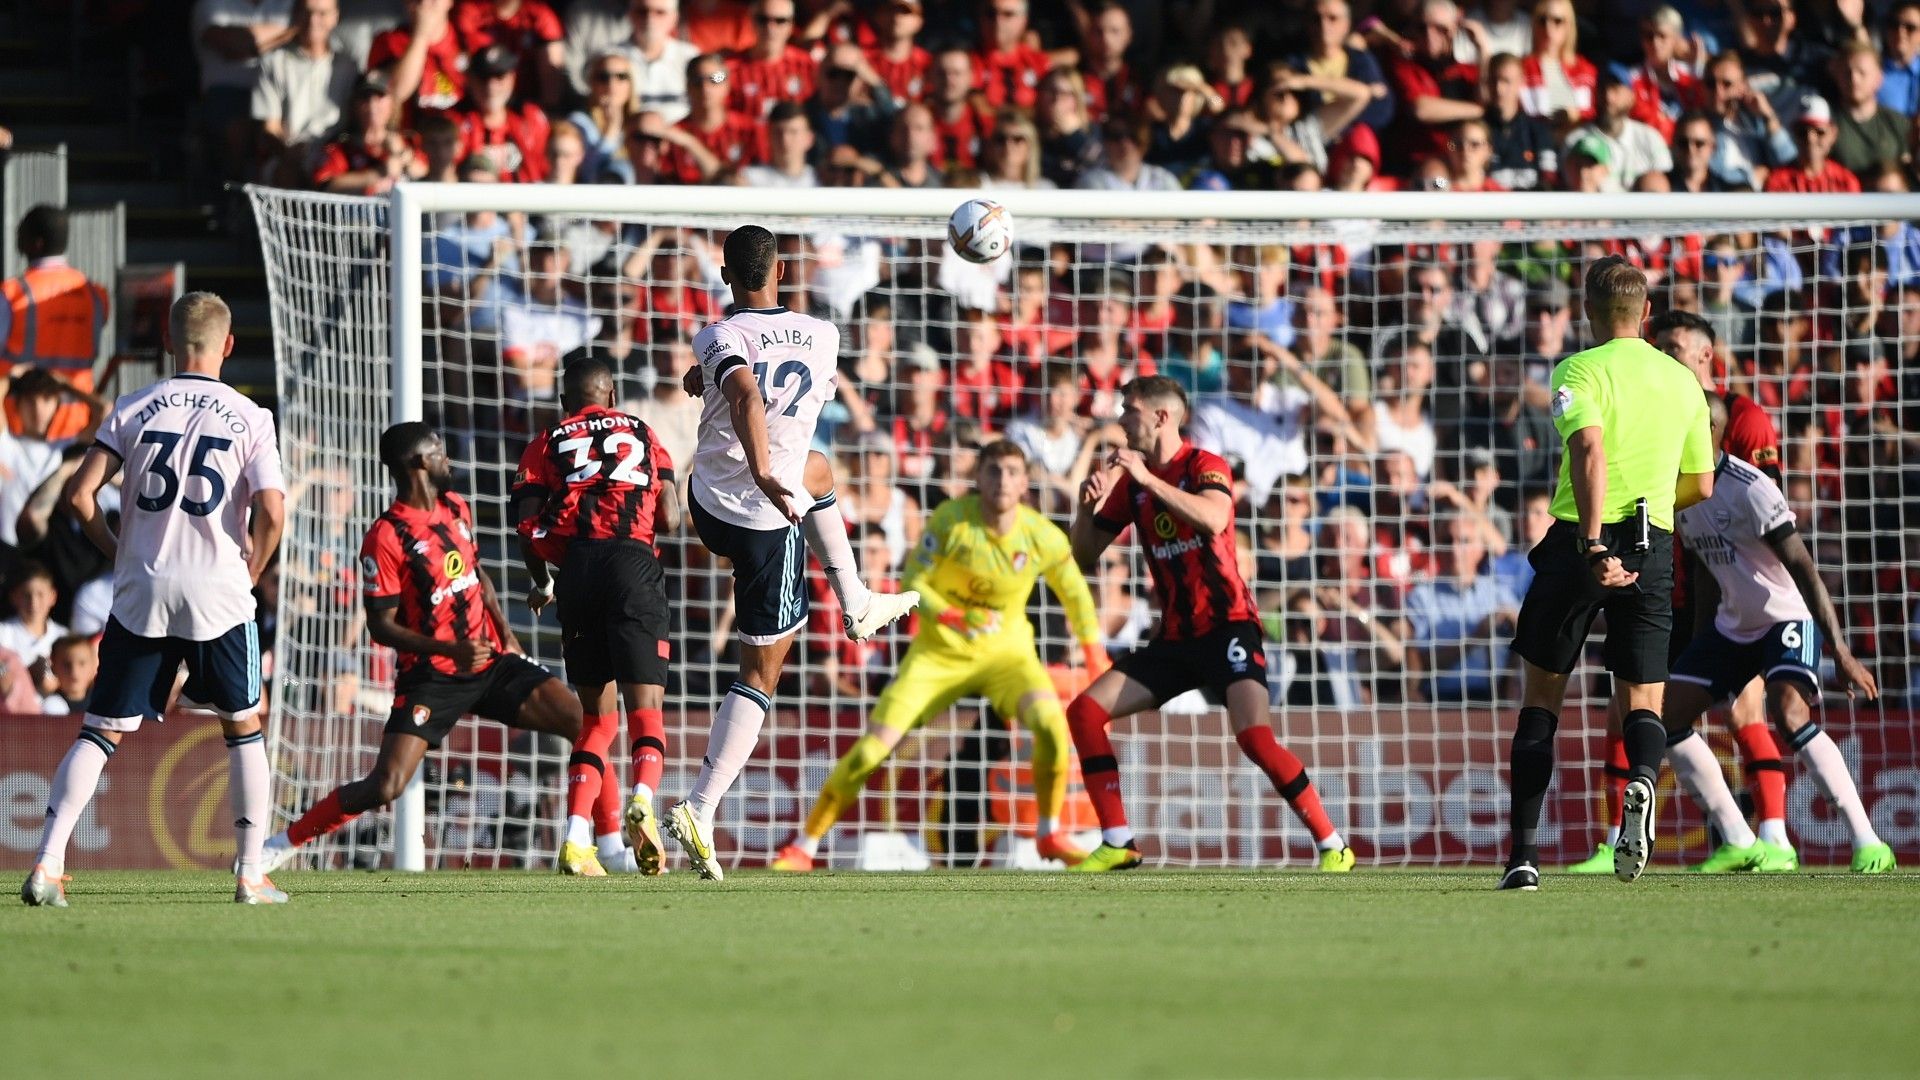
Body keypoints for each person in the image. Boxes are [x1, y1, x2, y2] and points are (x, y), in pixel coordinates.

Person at [667, 225, 918, 880]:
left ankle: (858, 601)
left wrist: (708, 381)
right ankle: (699, 806)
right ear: (783, 271)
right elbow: (754, 395)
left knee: (820, 468)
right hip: (762, 517)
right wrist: (763, 472)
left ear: (726, 276)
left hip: (708, 504)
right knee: (760, 676)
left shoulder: (716, 335)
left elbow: (740, 381)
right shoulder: (825, 335)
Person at [23, 292, 288, 908]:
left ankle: (47, 863)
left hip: (143, 587)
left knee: (101, 730)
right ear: (228, 345)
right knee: (243, 727)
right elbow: (272, 510)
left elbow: (81, 497)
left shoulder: (133, 406)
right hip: (218, 591)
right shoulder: (250, 416)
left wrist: (118, 549)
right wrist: (252, 570)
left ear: (170, 343)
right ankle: (250, 874)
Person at [257, 421, 583, 877]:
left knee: (580, 719)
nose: (447, 461)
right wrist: (447, 645)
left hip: (489, 660)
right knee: (386, 784)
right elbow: (381, 626)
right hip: (431, 675)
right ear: (417, 464)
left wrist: (505, 634)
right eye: (439, 453)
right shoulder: (387, 536)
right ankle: (280, 844)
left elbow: (478, 576)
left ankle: (597, 842)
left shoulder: (456, 507)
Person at [769, 441, 1109, 870]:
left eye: (1011, 472)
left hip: (1008, 658)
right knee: (873, 750)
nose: (1002, 480)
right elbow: (915, 582)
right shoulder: (951, 523)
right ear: (978, 478)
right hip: (937, 657)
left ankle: (1048, 834)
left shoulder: (1040, 533)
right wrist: (954, 615)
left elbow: (1075, 594)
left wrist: (1095, 653)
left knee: (1050, 728)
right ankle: (805, 845)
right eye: (993, 471)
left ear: (1025, 482)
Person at [1063, 376, 1354, 873]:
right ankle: (1118, 841)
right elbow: (1084, 556)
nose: (1120, 419)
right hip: (1175, 640)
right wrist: (1086, 508)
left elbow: (1214, 519)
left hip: (1227, 629)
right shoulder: (1132, 485)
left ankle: (1333, 845)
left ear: (1161, 416)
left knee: (1255, 739)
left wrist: (1148, 480)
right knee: (1085, 713)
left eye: (1128, 409)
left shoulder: (1203, 464)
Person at [1498, 257, 1716, 891]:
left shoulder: (1580, 369)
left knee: (1542, 698)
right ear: (1646, 315)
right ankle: (1643, 782)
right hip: (1653, 539)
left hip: (1579, 541)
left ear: (1587, 313)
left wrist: (1595, 542)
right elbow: (1701, 483)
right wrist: (1644, 511)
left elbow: (1588, 447)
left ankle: (1524, 856)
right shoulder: (1682, 382)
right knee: (1642, 699)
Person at [1567, 308, 1787, 874]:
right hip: (1665, 582)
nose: (1662, 354)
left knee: (1744, 712)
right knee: (1627, 713)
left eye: (1673, 347)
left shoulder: (1745, 420)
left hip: (1731, 598)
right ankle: (1612, 840)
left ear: (1705, 356)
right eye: (1657, 345)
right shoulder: (1654, 405)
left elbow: (1767, 514)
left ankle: (1773, 840)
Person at [1662, 392, 1894, 874]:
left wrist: (1842, 653)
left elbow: (1803, 568)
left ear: (1710, 434)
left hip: (1785, 616)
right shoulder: (1679, 492)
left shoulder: (1752, 488)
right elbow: (1706, 571)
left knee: (1787, 713)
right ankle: (1741, 838)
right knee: (1665, 716)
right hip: (1733, 626)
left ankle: (1868, 840)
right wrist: (1702, 644)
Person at [513, 358, 680, 876]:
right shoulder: (644, 433)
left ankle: (576, 837)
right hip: (633, 564)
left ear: (566, 400)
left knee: (598, 718)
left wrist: (543, 581)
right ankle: (644, 800)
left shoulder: (548, 439)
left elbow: (524, 523)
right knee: (645, 710)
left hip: (579, 570)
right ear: (612, 395)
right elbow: (671, 518)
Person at [1, 205, 110, 441]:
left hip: (18, 427)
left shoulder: (12, 294)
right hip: (77, 426)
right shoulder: (95, 295)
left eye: (21, 235)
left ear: (35, 243)